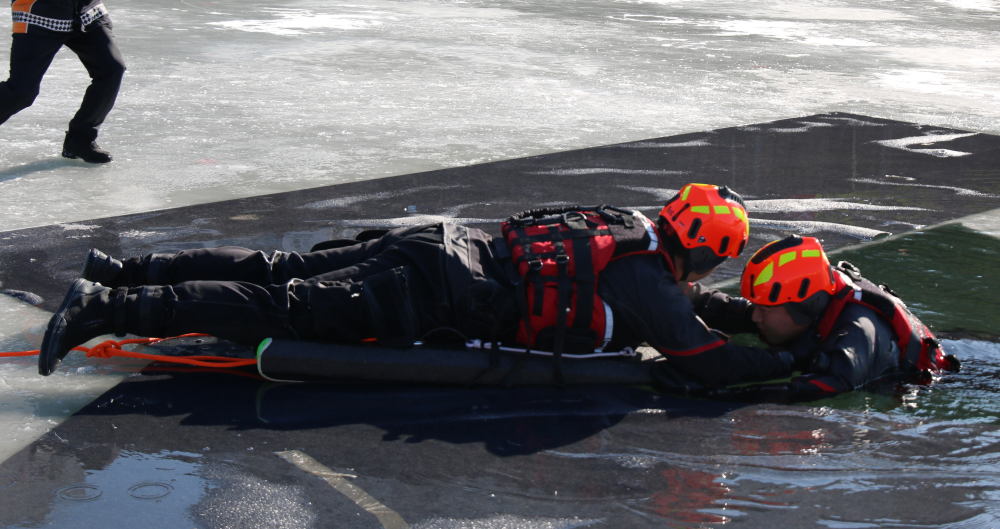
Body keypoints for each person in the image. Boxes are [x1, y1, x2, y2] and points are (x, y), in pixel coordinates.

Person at [38, 183, 794, 387]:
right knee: (285, 307)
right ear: (706, 257)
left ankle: (125, 269)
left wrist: (749, 316)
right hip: (432, 293)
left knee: (280, 270)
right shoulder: (654, 287)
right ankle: (109, 307)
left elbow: (691, 310)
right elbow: (703, 358)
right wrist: (788, 360)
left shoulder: (629, 225)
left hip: (437, 244)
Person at [686, 235, 959, 397]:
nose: (756, 317)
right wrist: (679, 293)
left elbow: (804, 390)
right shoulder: (808, 304)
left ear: (804, 307)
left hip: (930, 385)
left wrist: (709, 392)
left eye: (765, 310)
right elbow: (735, 311)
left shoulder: (852, 339)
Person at [1, 0, 125, 163]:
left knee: (112, 68)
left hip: (86, 13)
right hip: (38, 14)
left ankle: (80, 140)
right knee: (21, 91)